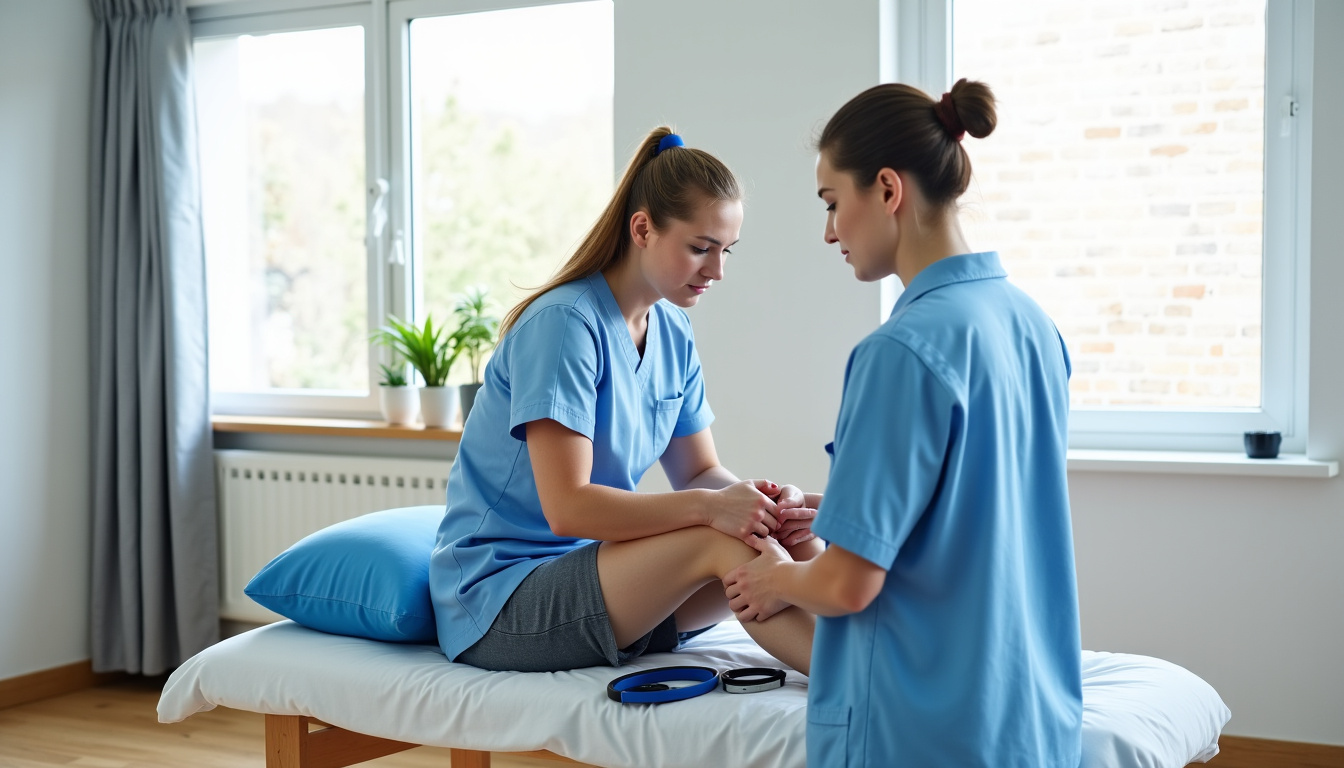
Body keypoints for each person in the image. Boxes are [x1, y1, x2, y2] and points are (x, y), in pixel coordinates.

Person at [723, 79, 1083, 767]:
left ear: (887, 189)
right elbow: (977, 506)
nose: (829, 230)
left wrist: (774, 581)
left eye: (832, 202)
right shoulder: (1032, 326)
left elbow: (845, 585)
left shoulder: (899, 352)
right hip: (1026, 721)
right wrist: (838, 508)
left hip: (918, 731)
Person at [430, 127, 820, 676]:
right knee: (721, 542)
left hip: (607, 582)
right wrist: (713, 509)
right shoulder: (564, 325)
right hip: (503, 600)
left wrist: (760, 505)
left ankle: (891, 663)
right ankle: (863, 687)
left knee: (781, 538)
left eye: (726, 250)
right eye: (700, 248)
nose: (717, 271)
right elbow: (569, 508)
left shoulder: (672, 330)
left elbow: (699, 472)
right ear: (642, 229)